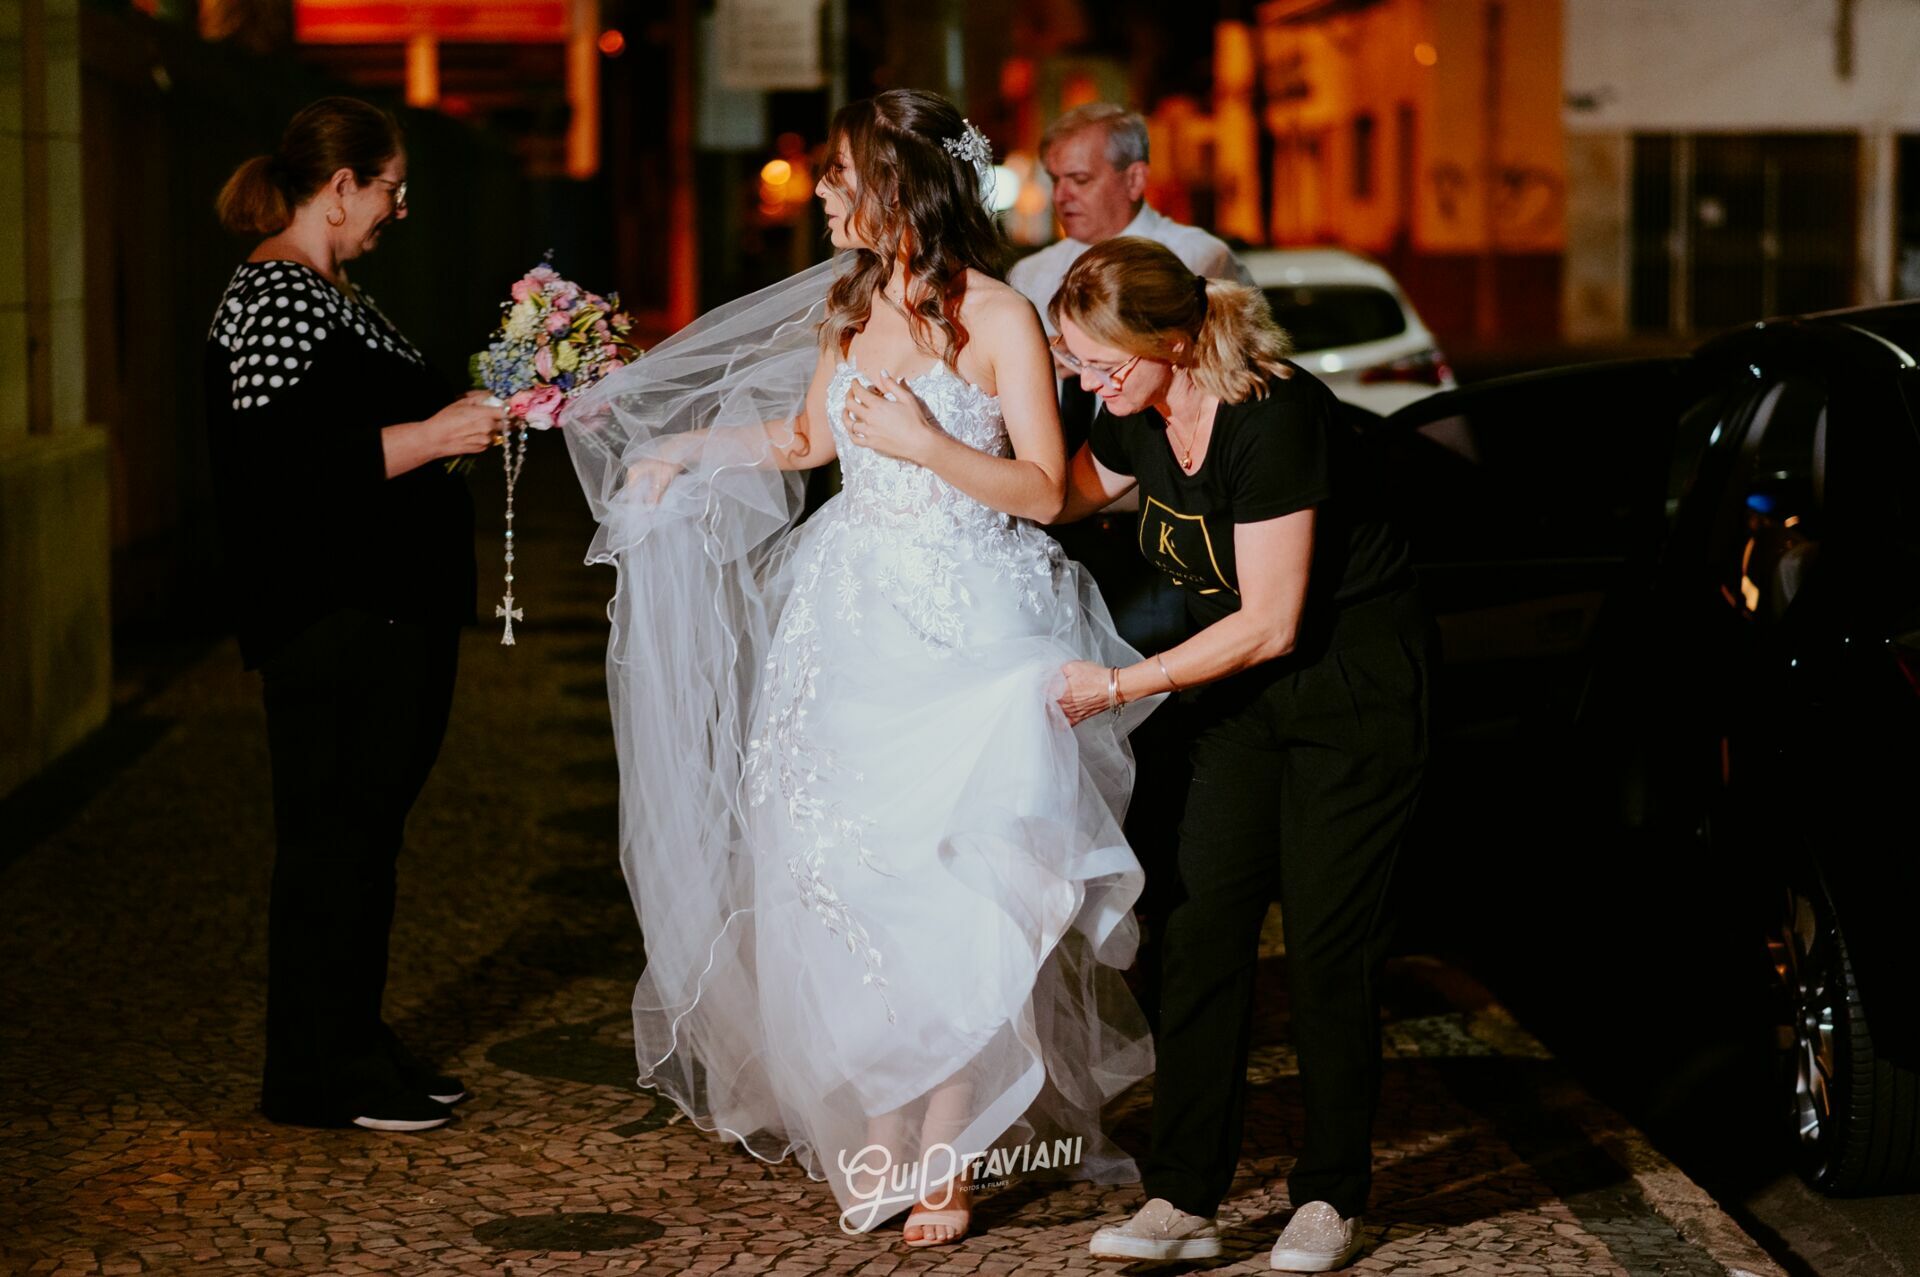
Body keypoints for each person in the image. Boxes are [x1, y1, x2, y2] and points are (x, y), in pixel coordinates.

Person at [564, 89, 1158, 1246]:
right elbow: (800, 444)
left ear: (903, 182)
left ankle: (948, 1142)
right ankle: (881, 1120)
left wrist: (935, 445)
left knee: (957, 884)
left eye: (839, 172)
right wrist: (680, 450)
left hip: (973, 624)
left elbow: (1045, 489)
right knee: (841, 881)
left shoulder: (996, 317)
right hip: (844, 623)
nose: (823, 191)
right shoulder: (849, 307)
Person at [1046, 237, 1434, 1273]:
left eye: (1101, 363)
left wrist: (1117, 687)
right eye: (1073, 362)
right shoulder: (1134, 410)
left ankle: (1330, 1196)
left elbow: (1269, 620)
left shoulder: (1272, 411)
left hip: (1349, 693)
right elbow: (1059, 495)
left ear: (1173, 342)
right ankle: (1184, 1195)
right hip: (1239, 696)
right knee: (1199, 930)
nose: (1088, 384)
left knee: (1323, 945)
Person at [205, 96, 502, 1133]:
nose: (400, 208)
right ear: (341, 188)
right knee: (332, 844)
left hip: (383, 610)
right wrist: (431, 435)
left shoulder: (336, 291)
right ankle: (316, 1070)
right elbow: (276, 474)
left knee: (362, 841)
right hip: (334, 615)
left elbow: (362, 436)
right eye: (391, 189)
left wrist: (452, 435)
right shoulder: (275, 297)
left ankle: (350, 1038)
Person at [1008, 102, 1253, 460]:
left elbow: (1231, 372)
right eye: (1055, 179)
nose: (1061, 196)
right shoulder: (1030, 273)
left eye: (1079, 180)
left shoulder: (1195, 260)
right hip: (1056, 482)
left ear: (1135, 179)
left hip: (1159, 480)